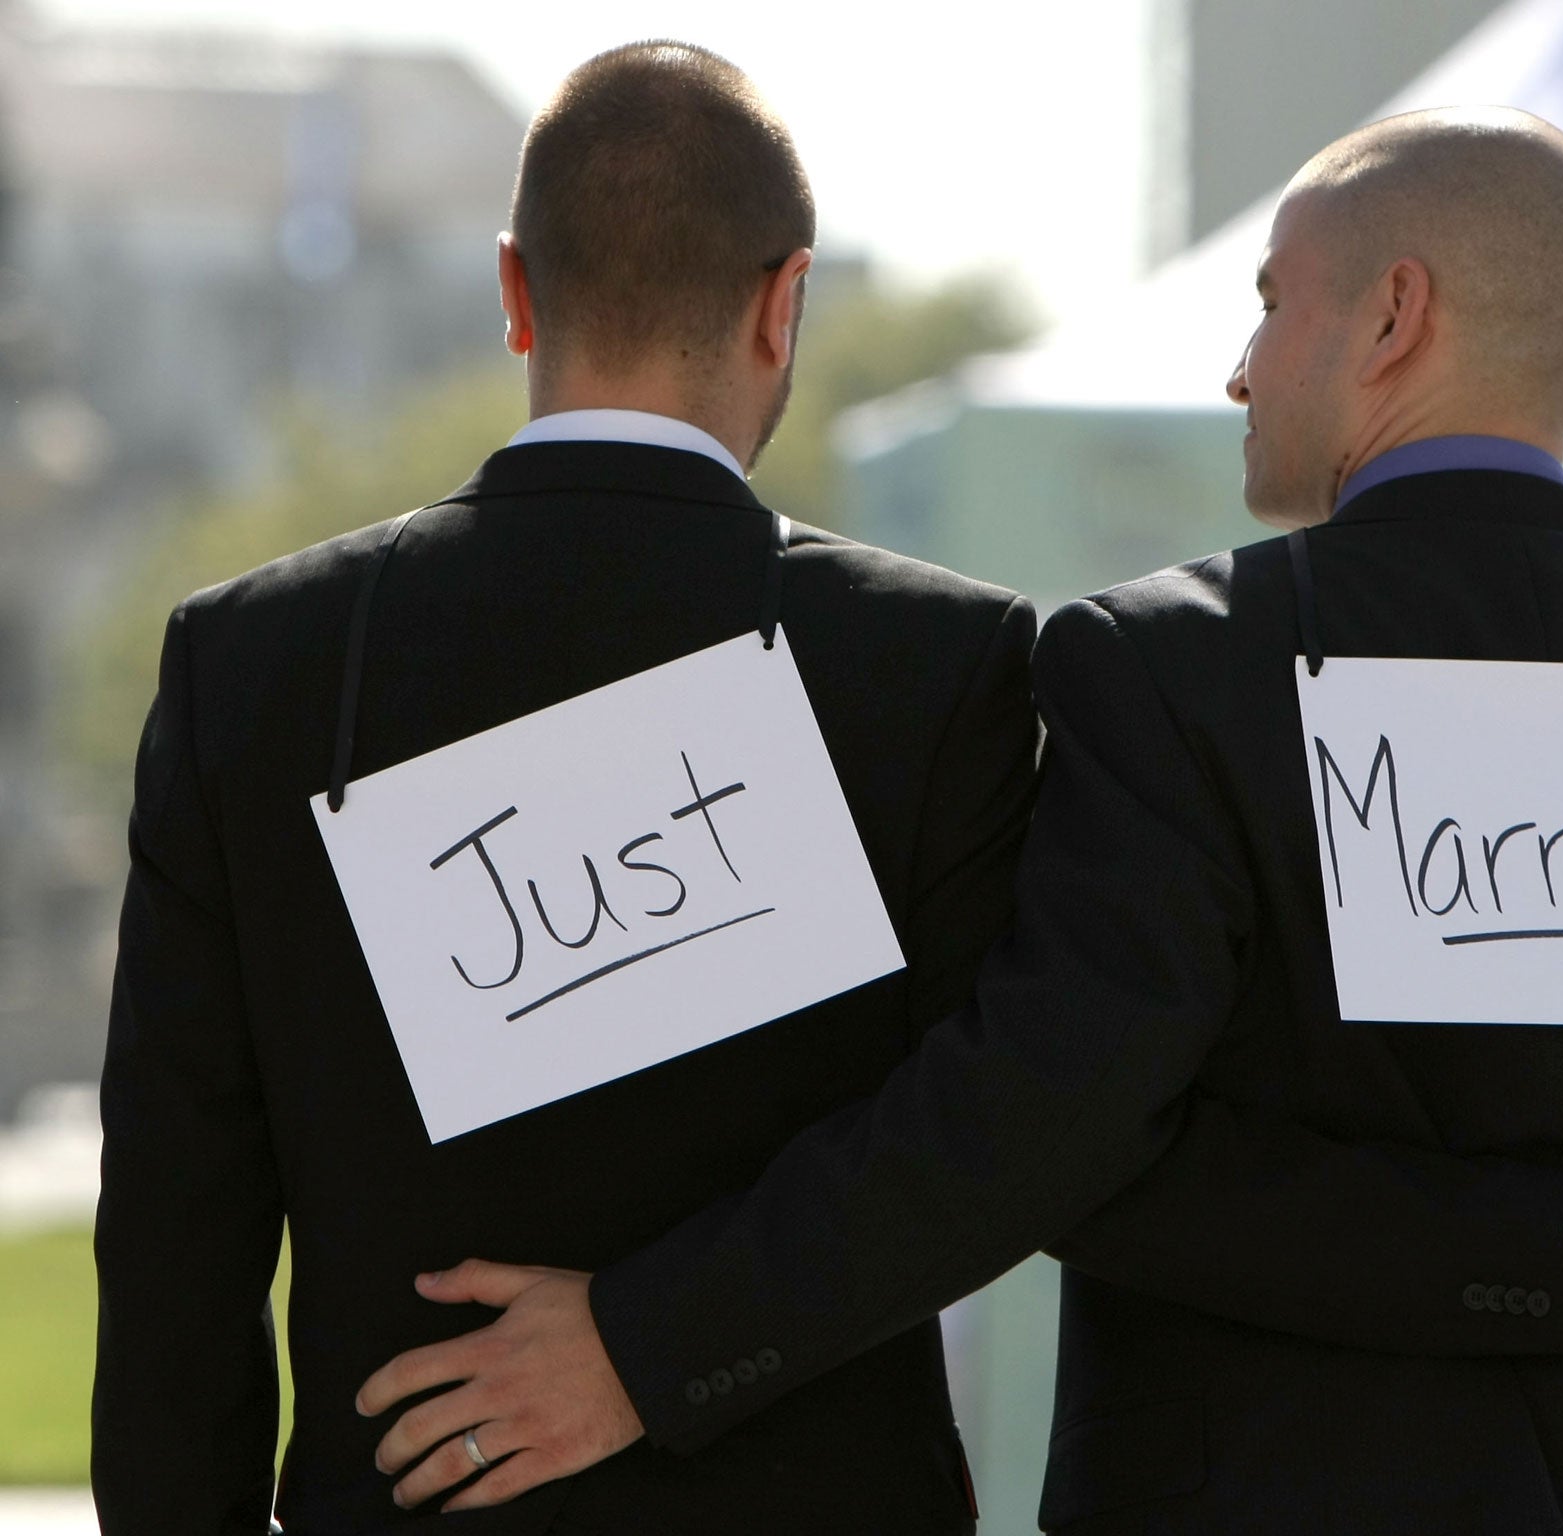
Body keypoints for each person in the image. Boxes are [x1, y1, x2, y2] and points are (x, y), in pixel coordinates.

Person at [351, 108, 1563, 1533]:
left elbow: (1057, 1148)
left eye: (1273, 304)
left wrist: (650, 1342)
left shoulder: (1166, 673)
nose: (1236, 364)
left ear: (1393, 318)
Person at [93, 42, 1045, 1533]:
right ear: (788, 301)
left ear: (515, 288)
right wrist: (667, 1344)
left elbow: (175, 1235)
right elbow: (984, 1150)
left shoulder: (252, 665)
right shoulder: (937, 665)